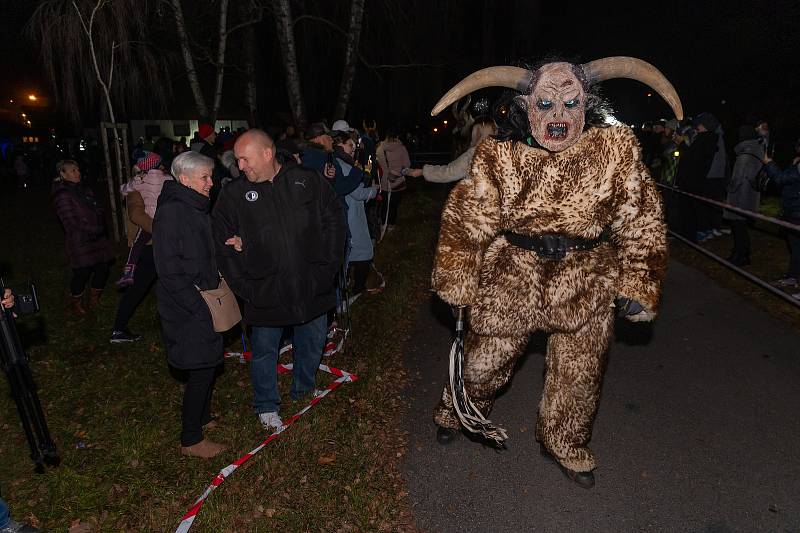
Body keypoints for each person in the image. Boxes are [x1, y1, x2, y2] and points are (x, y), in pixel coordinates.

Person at [427, 56, 678, 488]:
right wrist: (457, 275)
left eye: (570, 103)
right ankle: (459, 409)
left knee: (579, 376)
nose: (558, 116)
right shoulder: (499, 156)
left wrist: (639, 281)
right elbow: (468, 217)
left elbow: (641, 218)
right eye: (545, 103)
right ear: (526, 106)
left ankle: (565, 443)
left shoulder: (614, 153)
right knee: (482, 365)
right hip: (512, 278)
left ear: (587, 105)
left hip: (587, 280)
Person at [213, 129, 346, 431]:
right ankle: (266, 405)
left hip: (312, 284)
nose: (240, 166)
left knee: (312, 342)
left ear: (267, 154)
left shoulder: (306, 180)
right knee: (264, 350)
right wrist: (245, 285)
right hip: (265, 289)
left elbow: (334, 219)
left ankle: (303, 388)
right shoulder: (234, 194)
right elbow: (221, 241)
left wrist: (327, 268)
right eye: (238, 161)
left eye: (245, 159)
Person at [152, 151, 228, 458]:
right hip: (187, 306)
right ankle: (191, 439)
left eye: (211, 176)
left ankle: (203, 417)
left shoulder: (193, 206)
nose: (212, 183)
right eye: (205, 178)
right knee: (200, 370)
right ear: (184, 179)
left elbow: (198, 250)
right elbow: (169, 269)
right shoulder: (173, 212)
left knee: (208, 363)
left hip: (200, 299)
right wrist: (198, 306)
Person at [51, 159, 114, 316]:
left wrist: (101, 222)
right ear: (62, 173)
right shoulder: (62, 195)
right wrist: (93, 229)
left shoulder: (84, 190)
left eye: (78, 169)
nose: (77, 173)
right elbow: (70, 221)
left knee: (103, 268)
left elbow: (97, 208)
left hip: (97, 237)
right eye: (72, 170)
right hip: (80, 240)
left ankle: (94, 300)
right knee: (82, 272)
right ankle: (76, 303)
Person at [332, 131, 379, 302]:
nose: (354, 148)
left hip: (351, 212)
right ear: (341, 145)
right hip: (349, 214)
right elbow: (357, 192)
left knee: (351, 254)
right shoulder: (342, 164)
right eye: (350, 145)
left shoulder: (342, 162)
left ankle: (350, 290)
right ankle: (355, 292)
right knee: (361, 251)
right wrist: (375, 191)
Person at [116, 152, 172, 287]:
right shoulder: (168, 179)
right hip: (164, 219)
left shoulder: (140, 181)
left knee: (137, 244)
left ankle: (129, 271)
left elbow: (124, 190)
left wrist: (130, 183)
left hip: (148, 220)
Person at [723, 125, 766, 266]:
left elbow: (737, 180)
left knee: (738, 228)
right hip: (750, 197)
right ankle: (741, 252)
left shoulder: (744, 156)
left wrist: (728, 188)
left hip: (739, 198)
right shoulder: (757, 151)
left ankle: (740, 256)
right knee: (742, 228)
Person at [763, 141, 800, 297]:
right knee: (796, 246)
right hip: (793, 210)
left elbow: (781, 179)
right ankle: (793, 277)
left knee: (796, 246)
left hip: (797, 211)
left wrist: (769, 163)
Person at [406, 120, 497, 183]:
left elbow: (449, 172)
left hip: (478, 205)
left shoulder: (474, 154)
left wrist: (423, 171)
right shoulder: (503, 152)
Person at [375, 129, 411, 231]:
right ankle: (391, 225)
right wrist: (398, 172)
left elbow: (377, 164)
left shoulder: (380, 149)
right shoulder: (402, 148)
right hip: (398, 182)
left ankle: (383, 224)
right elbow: (407, 165)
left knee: (385, 204)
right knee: (394, 205)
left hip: (384, 182)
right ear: (396, 137)